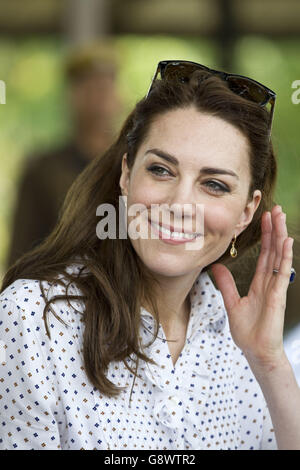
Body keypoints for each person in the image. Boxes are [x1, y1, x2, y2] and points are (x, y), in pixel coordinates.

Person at [0, 60, 299, 450]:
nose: (180, 204)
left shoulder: (242, 342)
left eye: (214, 184)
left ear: (247, 211)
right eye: (161, 170)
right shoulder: (32, 319)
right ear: (127, 175)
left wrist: (269, 363)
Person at [6, 40, 120, 268]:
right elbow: (21, 251)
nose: (99, 98)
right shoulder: (43, 170)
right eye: (89, 87)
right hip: (58, 291)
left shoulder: (131, 163)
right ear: (73, 96)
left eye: (106, 87)